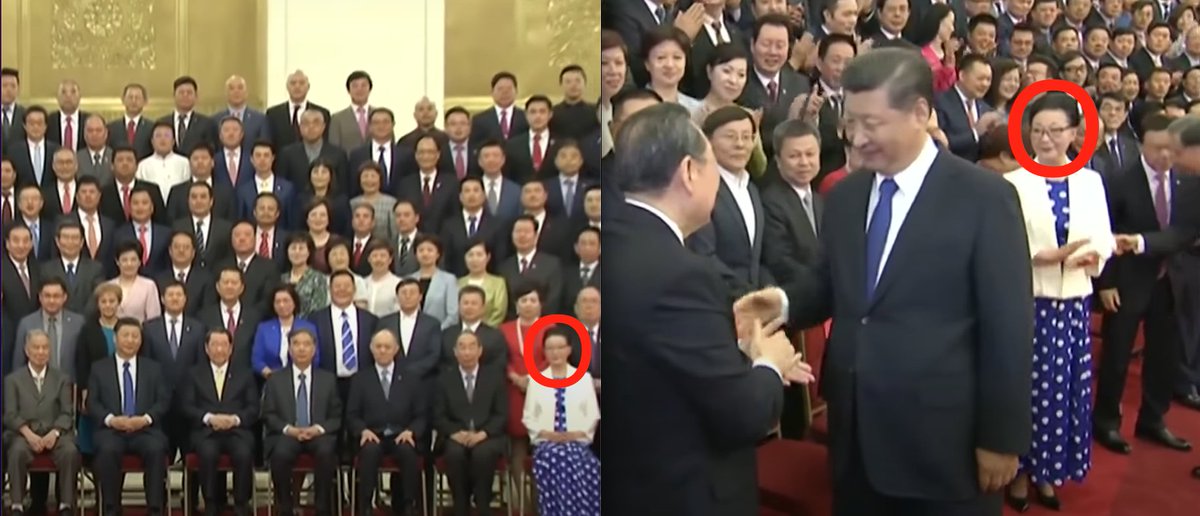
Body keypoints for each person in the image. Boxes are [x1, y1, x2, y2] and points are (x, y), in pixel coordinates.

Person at [738, 49, 1035, 515]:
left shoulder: (985, 198)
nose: (856, 138)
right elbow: (832, 282)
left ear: (919, 112)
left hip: (945, 442)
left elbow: (1009, 326)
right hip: (855, 436)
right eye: (850, 123)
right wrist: (781, 303)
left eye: (871, 124)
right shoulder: (845, 195)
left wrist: (1001, 436)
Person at [605, 102, 810, 515]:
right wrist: (768, 364)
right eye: (712, 163)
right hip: (682, 490)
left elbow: (659, 357)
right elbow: (743, 414)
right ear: (689, 171)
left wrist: (732, 349)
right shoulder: (680, 274)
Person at [1001, 93, 1115, 511]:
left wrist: (1093, 256)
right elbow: (1002, 240)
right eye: (1037, 131)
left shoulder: (1090, 181)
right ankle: (1017, 473)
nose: (1045, 139)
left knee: (1065, 390)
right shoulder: (1014, 182)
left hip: (1073, 304)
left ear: (1073, 134)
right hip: (1031, 302)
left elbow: (1103, 235)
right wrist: (1039, 255)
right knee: (1029, 390)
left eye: (1054, 130)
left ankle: (1048, 473)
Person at [1095, 114, 1195, 455]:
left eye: (1171, 149)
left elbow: (1183, 233)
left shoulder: (1187, 179)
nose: (1165, 156)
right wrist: (1106, 283)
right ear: (1142, 145)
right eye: (1157, 148)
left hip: (1172, 280)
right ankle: (1106, 421)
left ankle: (1153, 419)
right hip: (1127, 280)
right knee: (1117, 356)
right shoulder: (1120, 180)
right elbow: (1105, 231)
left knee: (1164, 355)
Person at [89, 318, 172, 516]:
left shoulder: (154, 368)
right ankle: (111, 509)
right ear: (115, 339)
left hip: (145, 430)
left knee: (156, 449)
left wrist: (145, 419)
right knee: (107, 450)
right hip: (112, 430)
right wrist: (111, 420)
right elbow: (93, 403)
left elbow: (163, 401)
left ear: (141, 340)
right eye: (125, 335)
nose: (130, 340)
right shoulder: (99, 368)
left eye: (135, 336)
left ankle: (155, 509)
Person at [262, 327, 342, 516]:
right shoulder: (275, 380)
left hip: (318, 434)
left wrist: (317, 429)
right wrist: (289, 429)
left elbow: (336, 416)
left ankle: (322, 507)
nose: (301, 349)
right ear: (289, 349)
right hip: (288, 434)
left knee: (326, 452)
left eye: (306, 344)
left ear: (314, 349)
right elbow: (268, 415)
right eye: (296, 344)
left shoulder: (328, 379)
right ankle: (285, 507)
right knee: (280, 455)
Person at [179, 329, 259, 516]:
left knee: (244, 453)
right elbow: (187, 406)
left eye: (224, 345)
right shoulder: (193, 374)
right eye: (214, 345)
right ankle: (211, 503)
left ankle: (241, 503)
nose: (219, 349)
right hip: (206, 432)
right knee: (208, 453)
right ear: (206, 349)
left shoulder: (245, 374)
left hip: (237, 431)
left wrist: (234, 419)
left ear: (231, 348)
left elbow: (253, 408)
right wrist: (209, 418)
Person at [348, 329, 426, 516]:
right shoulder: (360, 379)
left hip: (402, 434)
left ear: (396, 349)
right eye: (378, 346)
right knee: (369, 451)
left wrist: (411, 431)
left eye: (387, 347)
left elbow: (422, 415)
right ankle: (366, 506)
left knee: (408, 451)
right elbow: (351, 414)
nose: (382, 350)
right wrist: (363, 430)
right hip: (373, 435)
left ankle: (408, 505)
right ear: (371, 349)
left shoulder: (411, 378)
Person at [522, 327, 600, 516]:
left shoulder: (583, 378)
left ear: (569, 350)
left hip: (577, 441)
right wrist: (547, 434)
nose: (555, 353)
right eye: (550, 348)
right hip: (547, 443)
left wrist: (575, 434)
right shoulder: (536, 380)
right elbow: (529, 416)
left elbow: (592, 414)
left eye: (560, 348)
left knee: (584, 462)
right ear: (544, 352)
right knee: (555, 458)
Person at [3, 330, 81, 516]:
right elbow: (10, 415)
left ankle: (66, 505)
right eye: (36, 347)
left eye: (45, 347)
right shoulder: (12, 380)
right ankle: (17, 505)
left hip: (55, 434)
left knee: (70, 451)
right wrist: (29, 435)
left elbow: (67, 413)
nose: (40, 352)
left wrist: (54, 433)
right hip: (24, 434)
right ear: (26, 350)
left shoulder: (62, 379)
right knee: (17, 452)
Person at [434, 331, 508, 516]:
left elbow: (501, 414)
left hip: (487, 435)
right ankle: (460, 505)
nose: (467, 352)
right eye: (462, 347)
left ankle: (483, 505)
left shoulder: (494, 377)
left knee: (482, 454)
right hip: (455, 436)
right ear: (455, 352)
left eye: (471, 347)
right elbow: (438, 415)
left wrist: (483, 434)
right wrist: (455, 433)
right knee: (454, 454)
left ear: (480, 350)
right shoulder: (444, 379)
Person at [252, 285, 320, 380]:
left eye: (286, 301)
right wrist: (272, 376)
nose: (282, 305)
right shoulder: (264, 328)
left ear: (294, 303)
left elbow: (315, 358)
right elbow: (257, 360)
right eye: (278, 302)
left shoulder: (308, 327)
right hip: (271, 380)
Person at [107, 239, 162, 322]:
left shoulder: (149, 286)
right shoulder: (109, 286)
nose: (129, 264)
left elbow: (154, 319)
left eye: (133, 260)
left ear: (139, 262)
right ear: (117, 262)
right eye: (124, 260)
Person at [456, 241, 508, 327]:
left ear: (488, 257)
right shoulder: (458, 282)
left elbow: (499, 312)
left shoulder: (498, 283)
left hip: (489, 331)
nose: (474, 259)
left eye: (479, 255)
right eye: (470, 255)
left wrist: (481, 330)